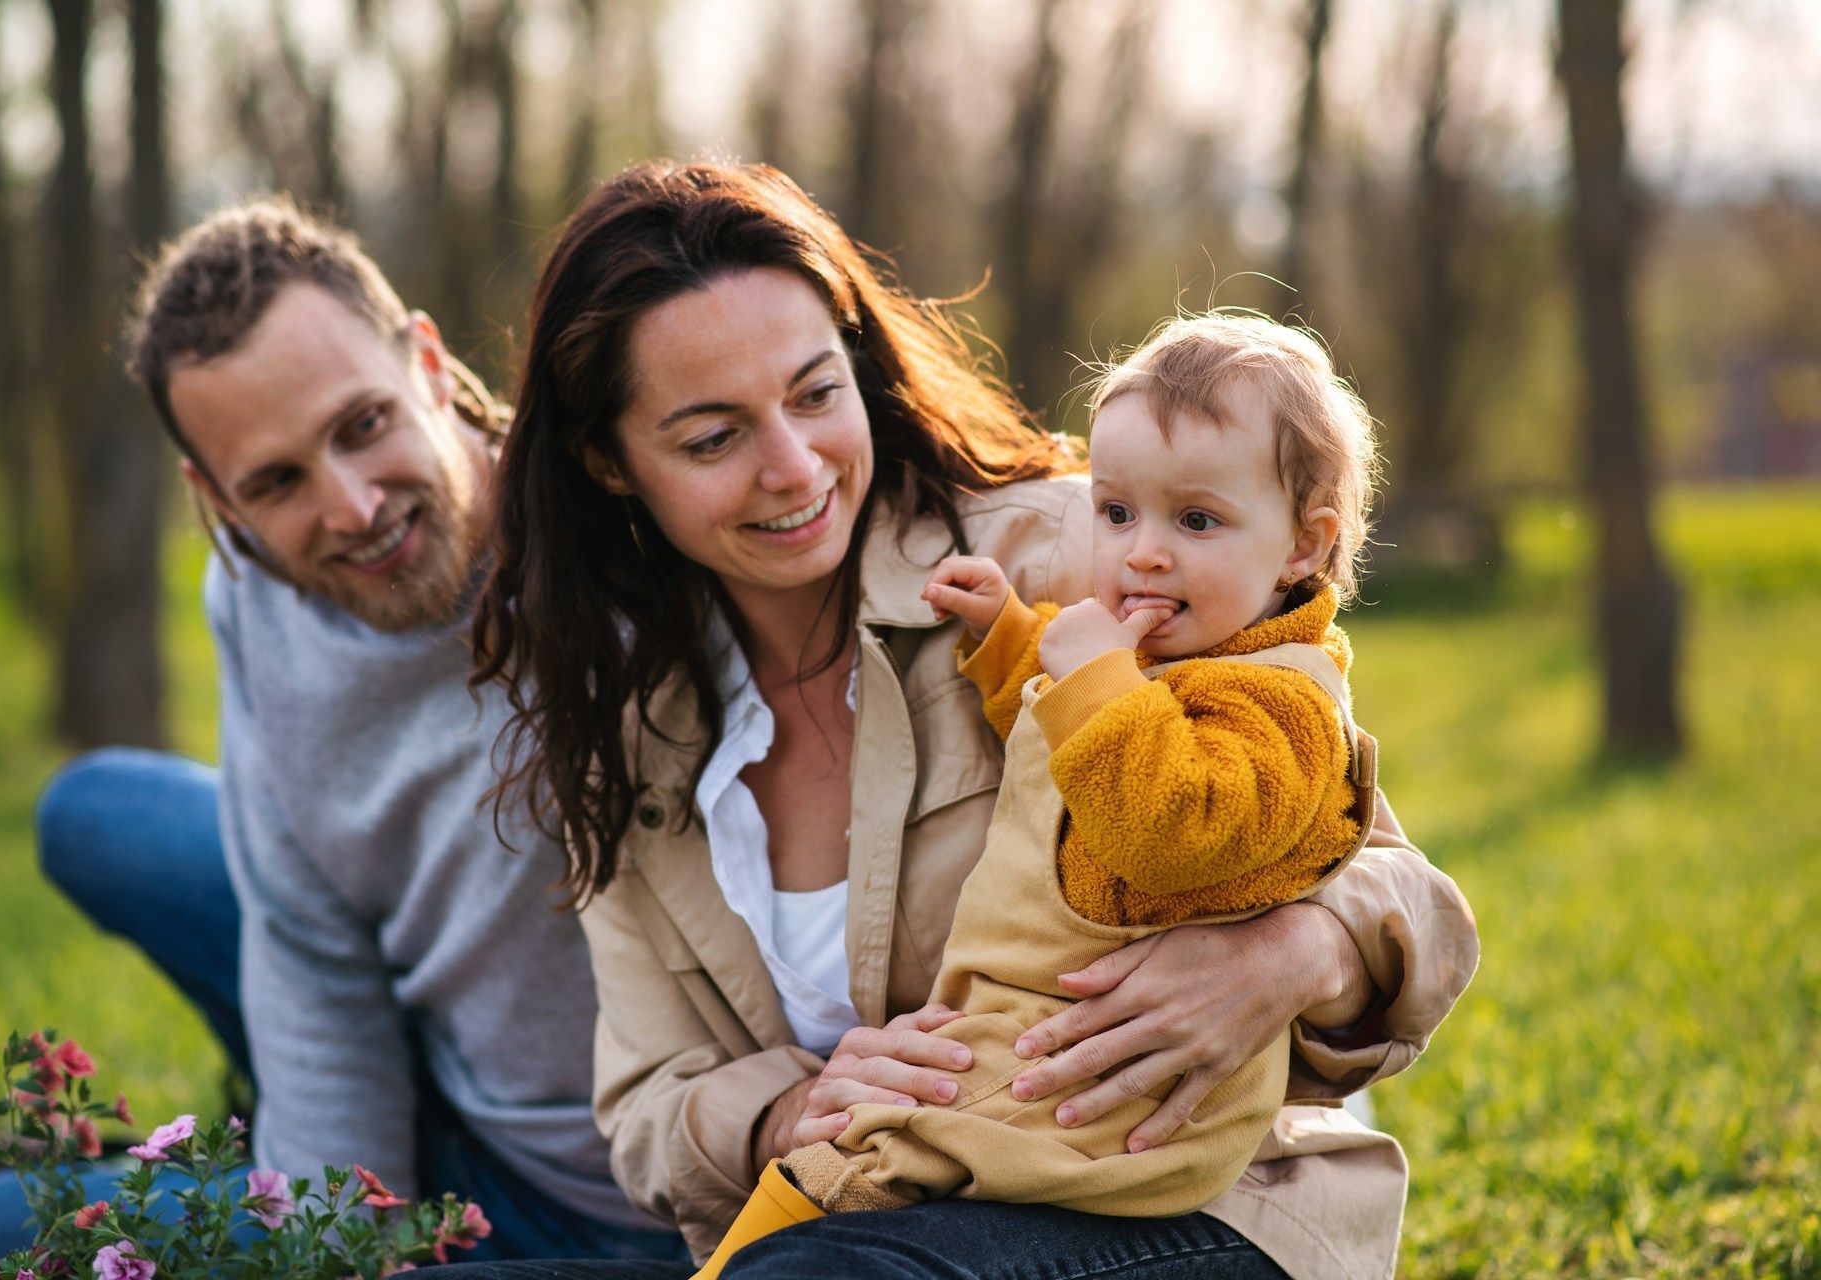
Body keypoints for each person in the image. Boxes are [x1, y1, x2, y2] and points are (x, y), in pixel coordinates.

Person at [436, 160, 1479, 1280]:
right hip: (861, 1208)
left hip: (1193, 1204)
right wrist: (788, 1110)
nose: (793, 467)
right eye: (711, 438)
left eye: (813, 393)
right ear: (610, 465)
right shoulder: (631, 732)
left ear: (857, 362)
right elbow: (648, 1103)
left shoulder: (1078, 556)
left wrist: (1293, 950)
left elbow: (1406, 889)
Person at [0, 200, 684, 1280]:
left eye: (362, 422)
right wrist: (347, 1232)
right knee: (94, 815)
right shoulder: (258, 590)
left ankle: (232, 1161)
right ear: (216, 501)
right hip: (437, 1063)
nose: (353, 505)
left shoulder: (616, 535)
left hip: (617, 1190)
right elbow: (303, 930)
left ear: (425, 361)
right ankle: (272, 1140)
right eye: (276, 481)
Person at [698, 310, 1387, 1277]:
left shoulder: (1285, 703)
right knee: (842, 1162)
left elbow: (1175, 828)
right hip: (1023, 1031)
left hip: (1100, 1089)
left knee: (857, 1163)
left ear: (1303, 549)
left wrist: (1099, 672)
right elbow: (1058, 712)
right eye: (1115, 513)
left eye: (1196, 520)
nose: (1143, 552)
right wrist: (1009, 638)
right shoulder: (1158, 652)